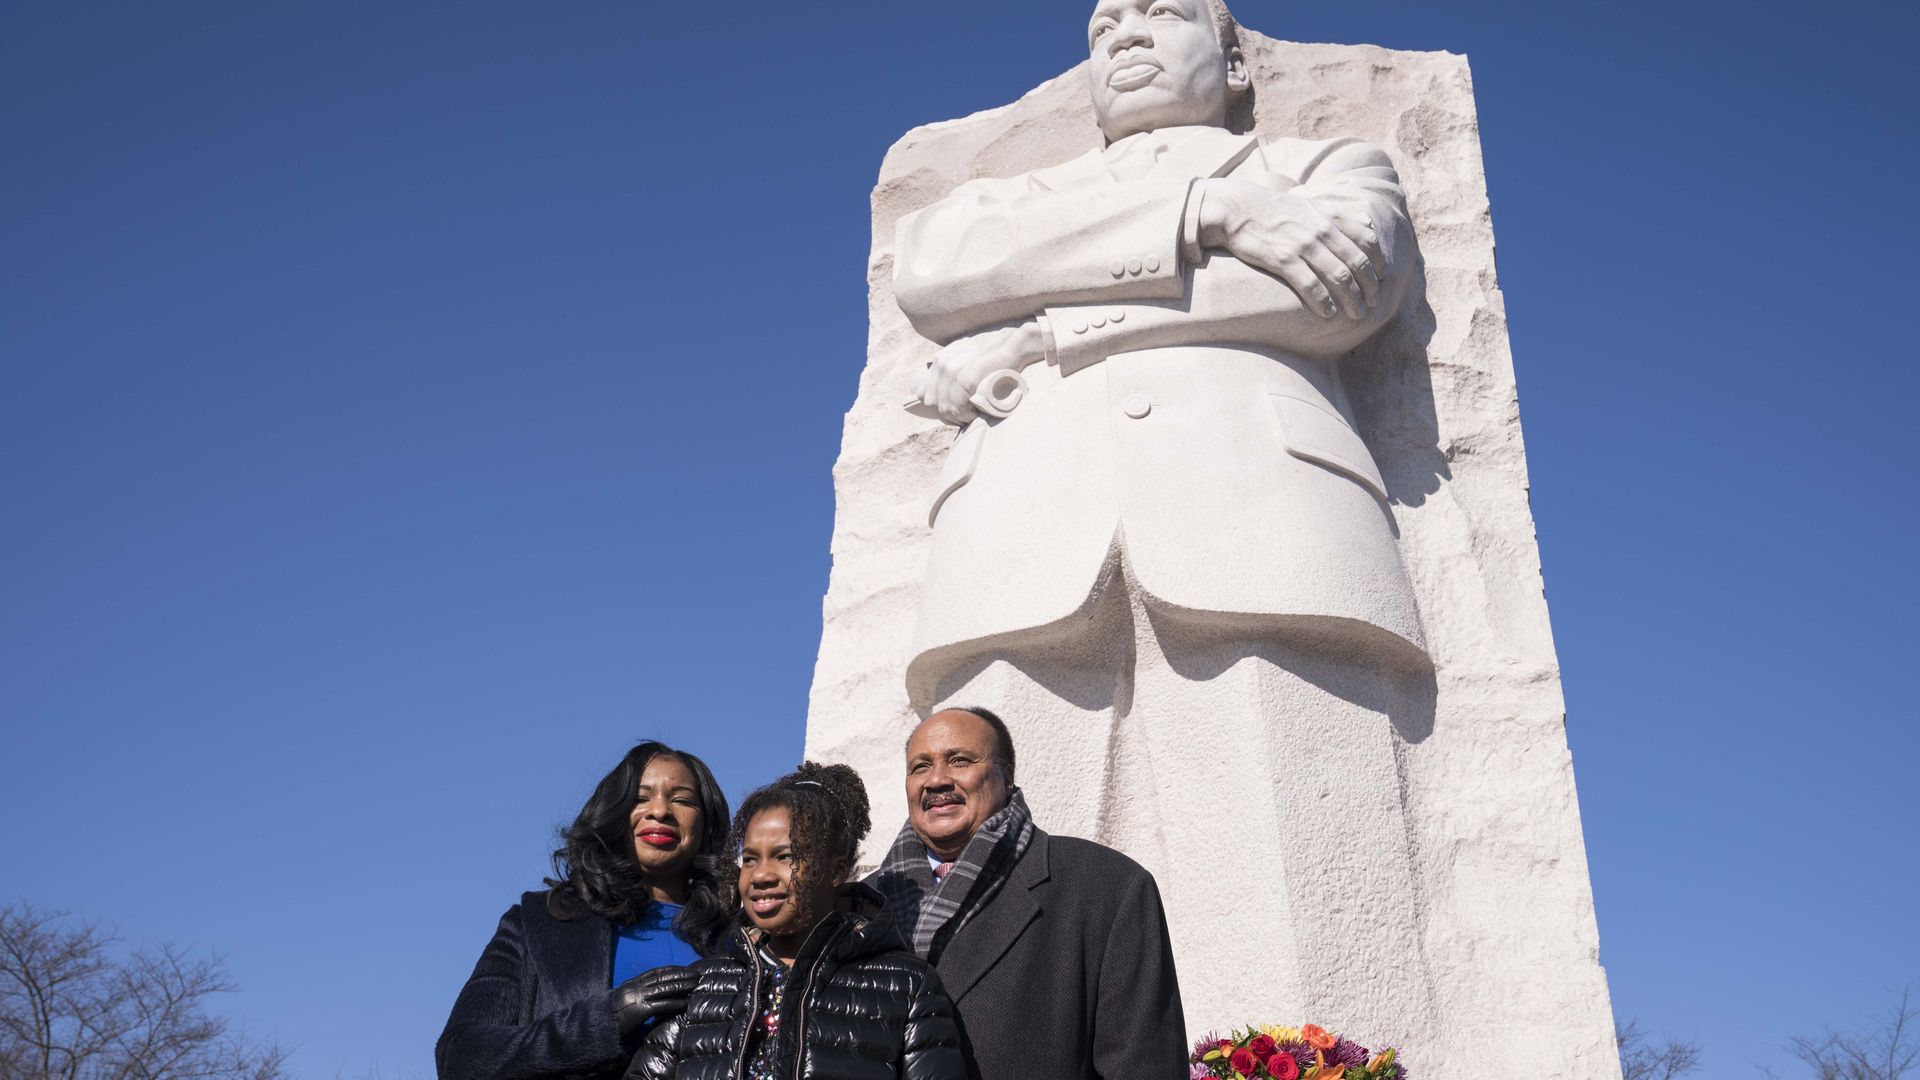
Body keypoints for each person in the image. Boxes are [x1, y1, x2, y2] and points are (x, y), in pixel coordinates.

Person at [887, 0, 1440, 1036]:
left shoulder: (1323, 168)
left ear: (1233, 61)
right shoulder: (1012, 197)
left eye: (1164, 13)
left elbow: (1339, 292)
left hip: (1261, 522)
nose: (1126, 38)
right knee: (985, 928)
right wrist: (1210, 219)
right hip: (1018, 538)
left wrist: (1043, 329)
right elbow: (940, 273)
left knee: (1293, 883)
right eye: (1104, 29)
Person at [868, 707, 1186, 1080]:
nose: (937, 780)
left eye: (959, 761)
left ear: (1006, 775)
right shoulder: (858, 908)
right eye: (920, 767)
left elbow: (1145, 1067)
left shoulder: (1105, 886)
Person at [627, 762, 966, 1080]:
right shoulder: (704, 985)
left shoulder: (908, 985)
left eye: (785, 856)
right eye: (749, 859)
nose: (760, 875)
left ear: (836, 870)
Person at [437, 741, 734, 1080]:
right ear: (614, 812)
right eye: (640, 798)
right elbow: (461, 1057)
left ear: (706, 822)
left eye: (681, 799)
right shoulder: (538, 923)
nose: (660, 811)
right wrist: (607, 1019)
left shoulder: (739, 937)